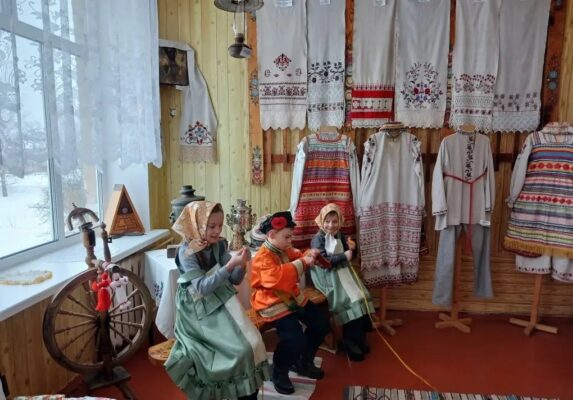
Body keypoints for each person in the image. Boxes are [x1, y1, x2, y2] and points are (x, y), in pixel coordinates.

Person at [165, 201, 269, 400]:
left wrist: (242, 264)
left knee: (254, 342)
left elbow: (234, 280)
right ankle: (237, 392)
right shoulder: (187, 252)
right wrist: (230, 265)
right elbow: (202, 288)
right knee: (238, 351)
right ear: (196, 225)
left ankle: (248, 393)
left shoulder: (219, 245)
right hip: (197, 310)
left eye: (220, 225)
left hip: (221, 300)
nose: (217, 230)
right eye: (211, 226)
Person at [250, 211, 330, 395]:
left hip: (291, 298)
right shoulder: (262, 258)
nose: (290, 241)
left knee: (321, 323)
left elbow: (297, 255)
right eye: (287, 237)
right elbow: (277, 277)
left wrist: (310, 254)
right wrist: (303, 262)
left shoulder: (282, 248)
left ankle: (303, 361)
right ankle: (279, 371)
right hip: (271, 303)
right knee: (294, 339)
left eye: (290, 236)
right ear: (271, 234)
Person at [311, 203, 374, 362]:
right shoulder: (318, 239)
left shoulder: (340, 235)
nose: (331, 225)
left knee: (362, 296)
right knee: (349, 301)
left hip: (343, 272)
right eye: (327, 221)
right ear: (321, 221)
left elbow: (350, 254)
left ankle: (359, 338)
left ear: (340, 221)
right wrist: (344, 256)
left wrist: (352, 248)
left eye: (334, 221)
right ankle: (349, 341)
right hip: (328, 275)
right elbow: (323, 262)